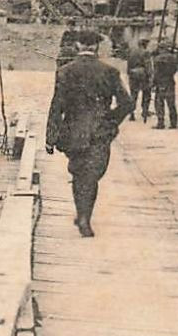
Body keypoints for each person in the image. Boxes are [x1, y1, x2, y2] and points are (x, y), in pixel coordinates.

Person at [44, 31, 132, 237]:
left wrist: (50, 137)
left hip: (73, 130)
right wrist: (110, 121)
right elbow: (127, 103)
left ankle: (82, 214)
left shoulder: (65, 71)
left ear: (77, 45)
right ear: (97, 47)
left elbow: (56, 107)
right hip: (99, 132)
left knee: (79, 173)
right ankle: (85, 217)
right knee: (92, 175)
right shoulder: (109, 71)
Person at [151, 43, 178, 129]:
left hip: (160, 82)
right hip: (170, 81)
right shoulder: (173, 58)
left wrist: (153, 83)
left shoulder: (157, 59)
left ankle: (161, 123)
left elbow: (155, 72)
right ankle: (173, 123)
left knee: (159, 103)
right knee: (171, 103)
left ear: (160, 49)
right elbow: (175, 70)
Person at [125, 37, 153, 122]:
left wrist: (129, 73)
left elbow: (128, 64)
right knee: (146, 93)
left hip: (133, 74)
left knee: (133, 94)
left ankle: (132, 114)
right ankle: (145, 111)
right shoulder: (146, 52)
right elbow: (147, 65)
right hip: (142, 75)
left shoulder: (131, 52)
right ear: (145, 45)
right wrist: (150, 75)